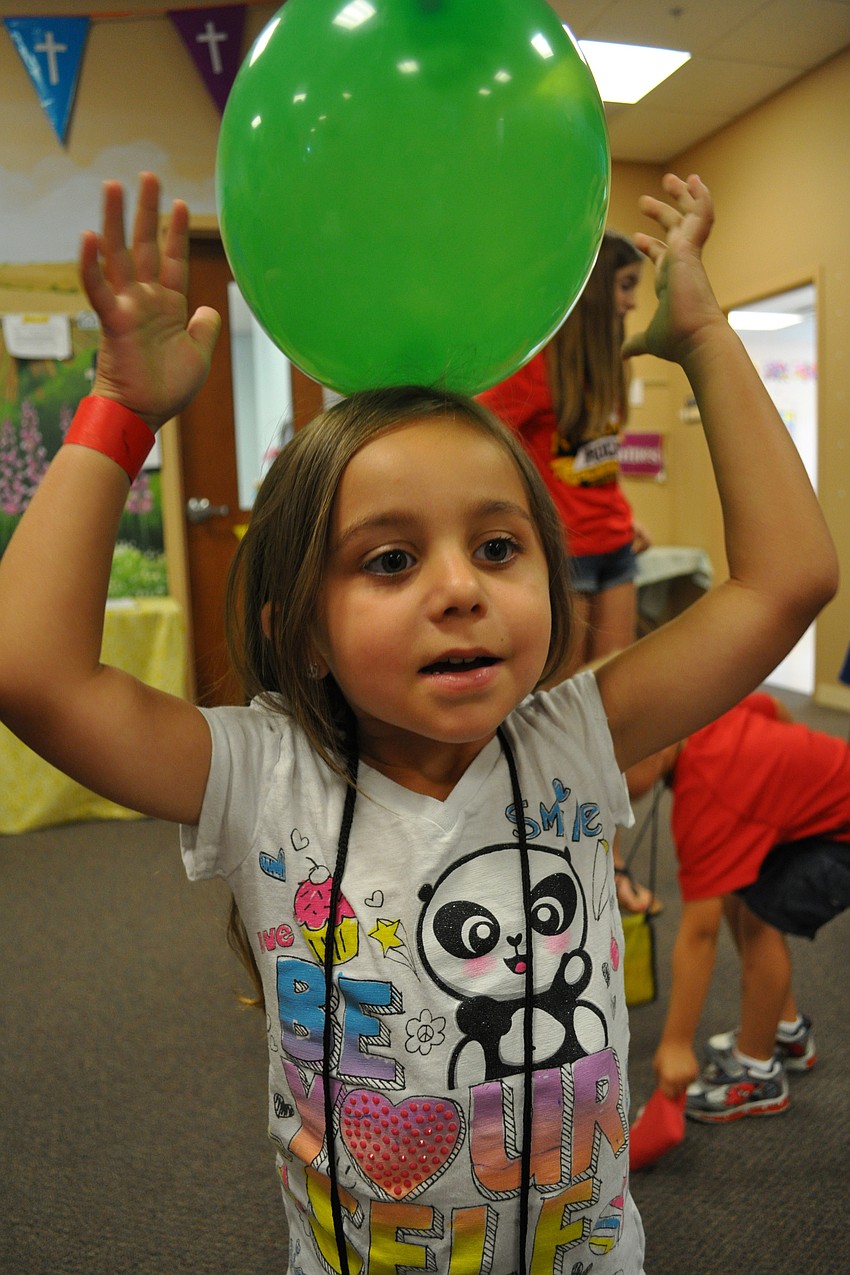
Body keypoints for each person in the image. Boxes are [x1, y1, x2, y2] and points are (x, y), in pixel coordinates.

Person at [0, 170, 836, 1275]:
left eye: (498, 548)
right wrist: (119, 412)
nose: (460, 588)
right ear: (300, 627)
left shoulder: (572, 736)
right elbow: (31, 674)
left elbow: (787, 579)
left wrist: (706, 338)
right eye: (390, 560)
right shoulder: (260, 776)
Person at [626, 693, 850, 1124]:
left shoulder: (707, 795)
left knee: (761, 917)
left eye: (613, 771)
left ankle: (757, 1072)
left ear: (656, 746)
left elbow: (698, 935)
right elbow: (768, 708)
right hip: (823, 810)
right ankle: (785, 1031)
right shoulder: (702, 710)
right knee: (736, 888)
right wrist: (778, 782)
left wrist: (675, 1044)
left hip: (840, 834)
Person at [479, 229, 649, 672]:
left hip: (616, 544)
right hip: (566, 553)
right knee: (562, 697)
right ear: (595, 287)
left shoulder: (611, 367)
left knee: (616, 688)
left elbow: (595, 464)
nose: (632, 302)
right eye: (626, 285)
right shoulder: (538, 367)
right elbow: (477, 440)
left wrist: (628, 516)